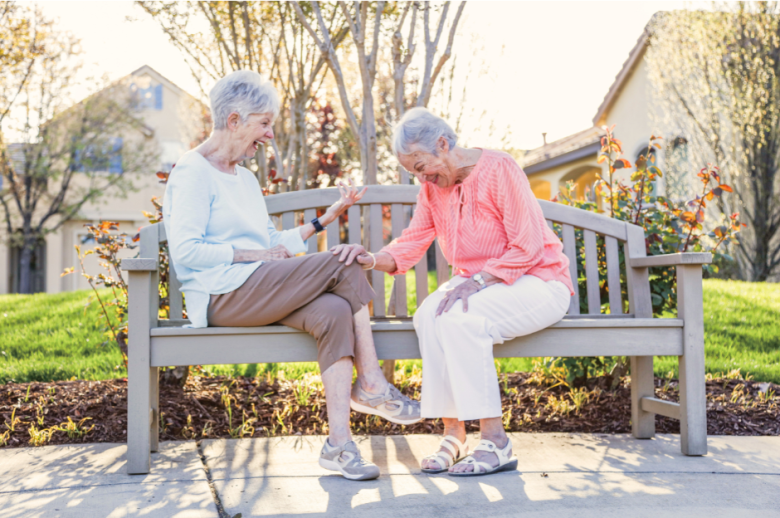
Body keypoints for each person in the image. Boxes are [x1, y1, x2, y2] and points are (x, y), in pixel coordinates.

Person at [162, 70, 420, 482]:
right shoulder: (193, 171)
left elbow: (272, 241)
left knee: (334, 310)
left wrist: (326, 219)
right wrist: (255, 255)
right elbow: (187, 252)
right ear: (233, 120)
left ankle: (339, 445)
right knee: (346, 259)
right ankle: (371, 382)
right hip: (220, 294)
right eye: (263, 123)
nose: (267, 135)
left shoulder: (244, 178)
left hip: (260, 285)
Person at [331, 107, 573, 476]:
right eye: (412, 171)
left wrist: (476, 283)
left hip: (538, 280)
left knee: (461, 317)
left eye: (420, 165)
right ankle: (453, 434)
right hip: (480, 284)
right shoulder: (431, 190)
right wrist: (370, 259)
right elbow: (413, 241)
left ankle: (496, 441)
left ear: (443, 144)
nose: (420, 176)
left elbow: (527, 246)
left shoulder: (499, 169)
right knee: (428, 314)